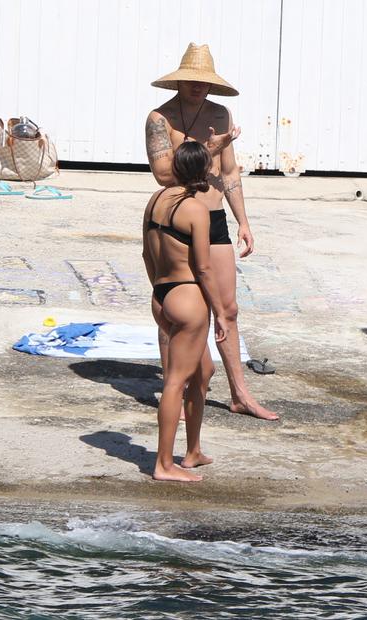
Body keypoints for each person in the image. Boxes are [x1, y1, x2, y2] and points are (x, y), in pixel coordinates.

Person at [145, 43, 278, 420]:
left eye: (204, 82)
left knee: (228, 309)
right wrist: (206, 147)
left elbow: (230, 171)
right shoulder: (160, 119)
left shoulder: (220, 114)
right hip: (177, 219)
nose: (198, 88)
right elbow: (164, 173)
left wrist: (244, 222)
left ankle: (240, 393)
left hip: (215, 218)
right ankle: (175, 389)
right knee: (178, 309)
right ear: (180, 80)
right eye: (192, 81)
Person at [142, 142, 227, 482]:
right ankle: (164, 464)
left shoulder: (155, 200)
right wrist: (220, 311)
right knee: (175, 381)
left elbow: (147, 254)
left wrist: (160, 292)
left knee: (203, 372)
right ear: (204, 171)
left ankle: (192, 452)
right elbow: (204, 269)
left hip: (162, 294)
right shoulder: (195, 209)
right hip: (188, 296)